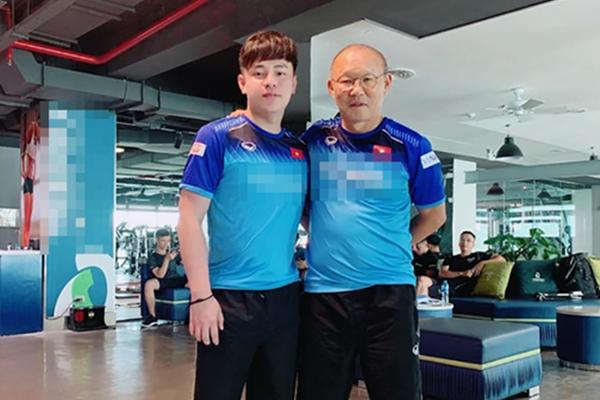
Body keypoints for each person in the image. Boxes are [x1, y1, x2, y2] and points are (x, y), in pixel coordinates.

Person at [297, 44, 446, 400]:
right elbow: (298, 204)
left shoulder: (411, 145)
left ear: (386, 83)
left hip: (389, 294)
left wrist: (395, 242)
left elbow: (434, 215)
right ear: (331, 87)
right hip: (325, 295)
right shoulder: (313, 141)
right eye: (346, 81)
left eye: (367, 79)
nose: (357, 90)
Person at [177, 31, 306, 400]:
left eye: (280, 73)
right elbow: (188, 219)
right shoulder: (217, 137)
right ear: (242, 81)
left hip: (285, 300)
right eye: (259, 72)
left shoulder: (300, 150)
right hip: (228, 300)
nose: (270, 82)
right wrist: (201, 297)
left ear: (294, 83)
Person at [418, 230, 505, 298]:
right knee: (421, 280)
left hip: (456, 288)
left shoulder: (478, 256)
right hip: (441, 282)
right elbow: (442, 273)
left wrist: (481, 263)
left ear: (473, 244)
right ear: (459, 243)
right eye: (462, 240)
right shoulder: (451, 258)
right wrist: (462, 273)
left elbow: (501, 259)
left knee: (425, 290)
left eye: (468, 240)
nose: (465, 243)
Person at [141, 228, 187, 328]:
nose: (166, 244)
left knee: (195, 280)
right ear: (157, 240)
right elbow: (160, 275)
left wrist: (184, 255)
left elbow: (185, 263)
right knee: (149, 284)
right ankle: (152, 317)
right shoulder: (153, 257)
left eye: (168, 241)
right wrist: (166, 259)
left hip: (176, 280)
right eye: (163, 241)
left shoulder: (173, 253)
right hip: (164, 281)